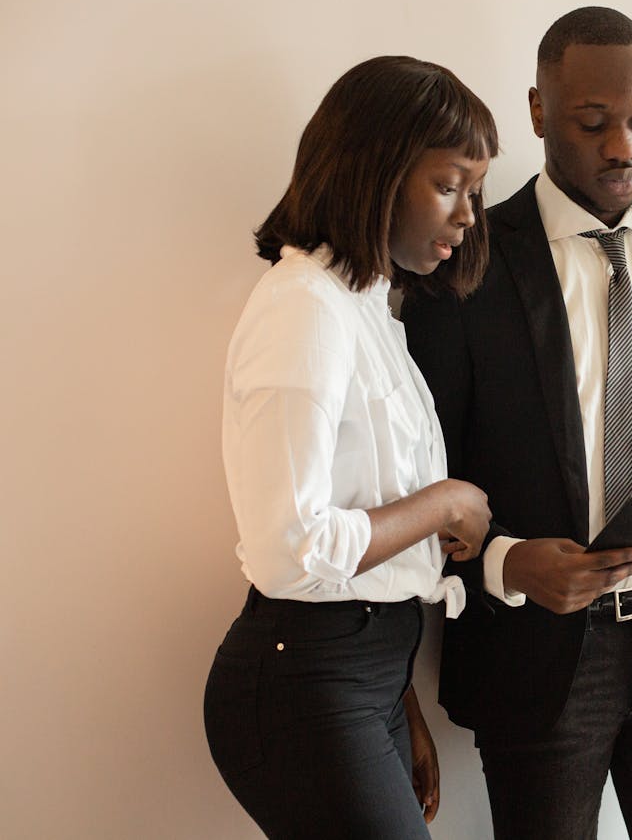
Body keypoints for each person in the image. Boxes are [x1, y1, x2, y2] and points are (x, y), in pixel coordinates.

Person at [402, 6, 632, 840]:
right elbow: (419, 472)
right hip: (538, 652)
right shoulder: (467, 260)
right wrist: (509, 561)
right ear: (537, 112)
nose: (623, 146)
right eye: (593, 122)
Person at [202, 56, 498, 839]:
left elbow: (358, 540)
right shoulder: (303, 310)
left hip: (362, 676)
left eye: (476, 190)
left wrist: (399, 697)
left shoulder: (364, 308)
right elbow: (289, 550)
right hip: (303, 681)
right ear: (376, 170)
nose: (469, 215)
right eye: (449, 184)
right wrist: (446, 501)